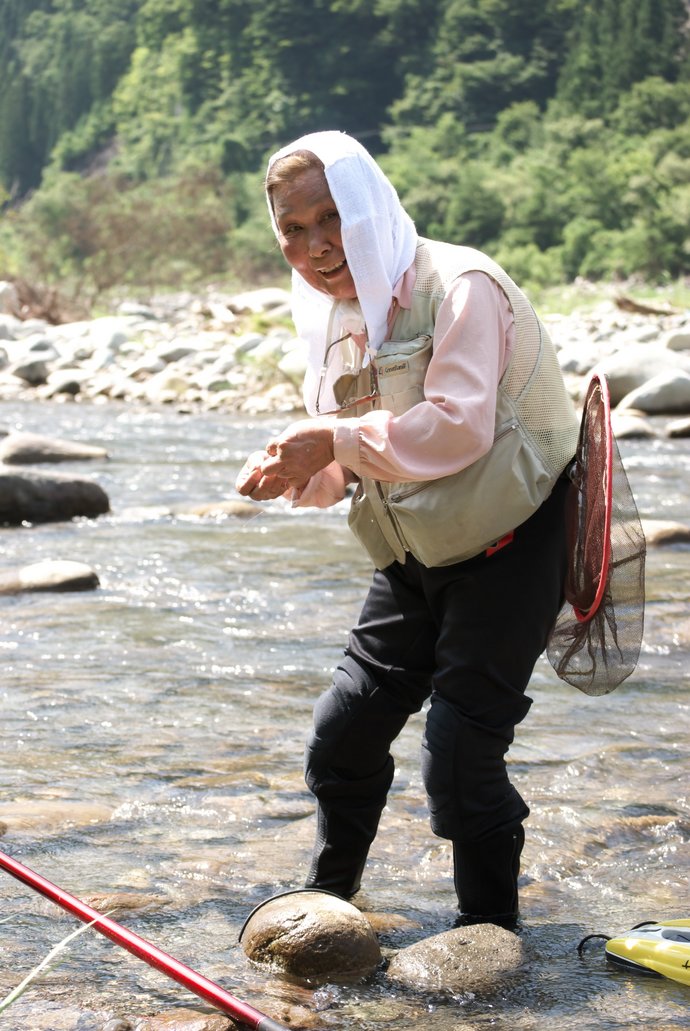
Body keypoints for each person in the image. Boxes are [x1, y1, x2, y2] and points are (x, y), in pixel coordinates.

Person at [236, 130, 580, 930]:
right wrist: (307, 472)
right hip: (415, 551)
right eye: (293, 228)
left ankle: (489, 938)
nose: (316, 247)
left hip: (514, 543)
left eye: (332, 219)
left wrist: (332, 441)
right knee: (342, 733)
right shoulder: (334, 314)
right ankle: (326, 905)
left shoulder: (460, 287)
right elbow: (356, 451)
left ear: (370, 208)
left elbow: (458, 429)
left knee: (460, 756)